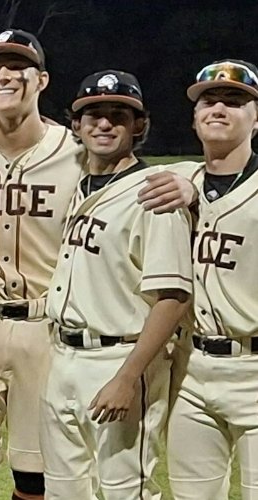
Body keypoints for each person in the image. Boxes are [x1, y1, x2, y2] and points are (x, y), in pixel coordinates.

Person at [0, 30, 193, 500]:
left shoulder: (73, 152)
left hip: (44, 327)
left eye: (19, 67)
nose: (5, 75)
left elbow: (136, 171)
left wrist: (188, 185)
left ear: (43, 80)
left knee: (41, 472)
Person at [38, 69, 191, 500]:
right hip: (63, 357)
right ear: (76, 125)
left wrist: (128, 377)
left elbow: (173, 297)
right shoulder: (76, 184)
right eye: (94, 114)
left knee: (127, 490)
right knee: (65, 491)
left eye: (118, 115)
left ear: (138, 125)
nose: (104, 123)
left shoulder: (155, 195)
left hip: (120, 357)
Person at [166, 58, 258, 500]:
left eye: (235, 101)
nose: (219, 108)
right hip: (191, 373)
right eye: (209, 101)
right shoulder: (179, 180)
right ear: (195, 118)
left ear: (255, 119)